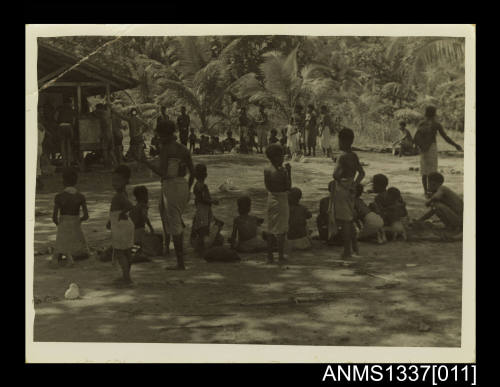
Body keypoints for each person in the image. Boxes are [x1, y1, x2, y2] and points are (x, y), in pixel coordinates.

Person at [139, 120, 194, 270]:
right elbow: (193, 171)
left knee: (174, 223)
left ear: (162, 134)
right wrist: (187, 188)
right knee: (167, 214)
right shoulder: (183, 148)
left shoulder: (166, 149)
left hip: (171, 185)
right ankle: (169, 249)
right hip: (182, 184)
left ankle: (180, 263)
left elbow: (163, 172)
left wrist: (146, 163)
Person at [331, 128, 366, 258]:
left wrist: (337, 168)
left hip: (342, 188)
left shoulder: (342, 156)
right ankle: (354, 246)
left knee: (344, 221)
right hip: (351, 187)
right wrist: (355, 184)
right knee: (349, 219)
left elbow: (335, 175)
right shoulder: (353, 155)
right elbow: (362, 173)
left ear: (343, 140)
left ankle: (347, 250)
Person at [414, 106, 463, 196]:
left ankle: (425, 191)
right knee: (432, 171)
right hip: (432, 148)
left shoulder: (421, 123)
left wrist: (417, 147)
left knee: (424, 171)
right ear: (434, 114)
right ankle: (432, 190)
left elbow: (416, 137)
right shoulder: (436, 124)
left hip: (423, 149)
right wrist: (455, 145)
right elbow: (445, 137)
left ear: (426, 113)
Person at [50, 168, 89, 267]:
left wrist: (59, 225)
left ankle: (64, 256)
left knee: (61, 241)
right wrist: (78, 221)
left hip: (63, 223)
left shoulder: (59, 197)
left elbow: (54, 217)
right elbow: (86, 216)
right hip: (75, 223)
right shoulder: (81, 197)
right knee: (80, 248)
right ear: (76, 181)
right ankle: (70, 255)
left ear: (63, 181)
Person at [107, 165, 135, 285]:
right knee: (127, 252)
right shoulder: (123, 193)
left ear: (125, 181)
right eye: (113, 180)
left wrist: (122, 213)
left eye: (118, 180)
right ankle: (126, 275)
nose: (114, 183)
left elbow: (129, 206)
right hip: (124, 225)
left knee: (120, 252)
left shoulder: (119, 196)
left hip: (120, 227)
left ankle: (126, 277)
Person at [264, 144, 292, 264]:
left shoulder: (267, 169)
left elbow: (268, 186)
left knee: (271, 228)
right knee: (281, 230)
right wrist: (289, 172)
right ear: (275, 157)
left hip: (271, 198)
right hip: (281, 200)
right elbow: (288, 186)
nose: (282, 158)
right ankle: (280, 256)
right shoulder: (282, 171)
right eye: (281, 156)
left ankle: (269, 256)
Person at [416, 172, 463, 239]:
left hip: (460, 219)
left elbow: (436, 197)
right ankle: (450, 226)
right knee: (435, 206)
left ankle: (455, 227)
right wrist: (420, 220)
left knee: (436, 205)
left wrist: (429, 201)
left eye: (429, 183)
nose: (428, 186)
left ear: (434, 183)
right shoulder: (439, 191)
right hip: (457, 218)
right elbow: (432, 211)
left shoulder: (442, 188)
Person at [191, 163, 224, 255]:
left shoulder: (197, 185)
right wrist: (213, 201)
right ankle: (203, 249)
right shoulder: (201, 186)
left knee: (204, 228)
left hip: (202, 209)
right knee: (204, 229)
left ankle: (201, 247)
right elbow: (203, 199)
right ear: (205, 174)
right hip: (203, 209)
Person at [55, 97, 76, 168]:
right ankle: (69, 163)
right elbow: (74, 120)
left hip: (61, 126)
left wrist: (58, 123)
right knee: (68, 145)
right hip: (69, 126)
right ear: (69, 103)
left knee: (62, 145)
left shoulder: (59, 108)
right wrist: (72, 127)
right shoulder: (71, 109)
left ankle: (64, 164)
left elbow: (55, 117)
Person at [95, 104, 116, 168]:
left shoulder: (100, 112)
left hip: (105, 134)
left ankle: (107, 165)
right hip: (110, 134)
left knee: (105, 150)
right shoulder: (108, 113)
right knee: (111, 150)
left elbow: (93, 113)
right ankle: (115, 163)